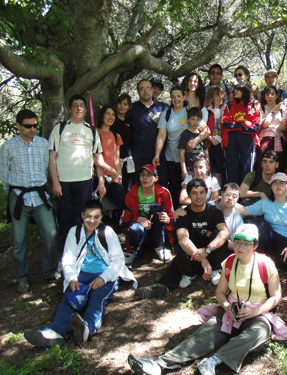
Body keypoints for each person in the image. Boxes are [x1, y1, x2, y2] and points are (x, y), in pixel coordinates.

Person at [127, 224, 287, 375]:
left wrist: (256, 311)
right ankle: (158, 365)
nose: (240, 247)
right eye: (237, 242)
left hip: (258, 313)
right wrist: (226, 306)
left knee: (259, 332)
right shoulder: (229, 262)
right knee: (201, 336)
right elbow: (220, 292)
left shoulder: (266, 264)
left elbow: (276, 296)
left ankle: (213, 362)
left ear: (255, 245)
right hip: (231, 310)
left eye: (246, 243)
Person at [24, 200, 137, 347]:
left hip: (105, 274)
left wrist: (103, 279)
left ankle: (87, 329)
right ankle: (54, 332)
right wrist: (71, 278)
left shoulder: (107, 232)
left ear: (101, 217)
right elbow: (68, 258)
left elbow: (118, 261)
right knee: (70, 298)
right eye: (88, 216)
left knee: (97, 298)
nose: (92, 221)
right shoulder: (74, 232)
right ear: (82, 215)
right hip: (82, 273)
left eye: (96, 217)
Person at [134, 178, 230, 299]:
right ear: (189, 195)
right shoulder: (183, 214)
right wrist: (202, 258)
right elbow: (183, 239)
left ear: (206, 193)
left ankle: (216, 270)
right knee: (180, 248)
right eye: (194, 193)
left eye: (201, 192)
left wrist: (206, 251)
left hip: (211, 254)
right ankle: (164, 286)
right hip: (192, 257)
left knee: (219, 235)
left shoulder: (214, 211)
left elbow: (225, 232)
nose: (198, 196)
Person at [0, 109, 59, 293]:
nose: (33, 129)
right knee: (18, 240)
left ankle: (49, 272)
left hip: (40, 197)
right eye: (28, 126)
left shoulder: (42, 143)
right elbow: (4, 174)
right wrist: (12, 195)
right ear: (18, 126)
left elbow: (46, 166)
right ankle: (22, 278)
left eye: (35, 125)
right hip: (19, 197)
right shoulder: (8, 147)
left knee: (51, 233)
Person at [48, 95, 114, 256]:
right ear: (70, 109)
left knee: (84, 221)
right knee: (65, 222)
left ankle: (82, 256)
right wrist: (55, 182)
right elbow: (51, 158)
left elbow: (97, 159)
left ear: (85, 110)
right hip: (64, 184)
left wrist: (101, 182)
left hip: (84, 183)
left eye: (82, 105)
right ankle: (64, 260)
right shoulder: (60, 128)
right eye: (75, 105)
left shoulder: (91, 131)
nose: (78, 108)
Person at [238, 173, 287, 272]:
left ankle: (276, 256)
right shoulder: (266, 202)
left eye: (281, 183)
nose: (278, 186)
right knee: (259, 223)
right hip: (270, 238)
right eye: (275, 183)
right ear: (271, 187)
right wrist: (227, 202)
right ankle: (257, 258)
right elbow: (244, 210)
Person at [154, 85, 208, 208]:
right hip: (172, 158)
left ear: (184, 97)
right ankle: (174, 216)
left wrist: (195, 141)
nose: (176, 99)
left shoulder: (190, 111)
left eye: (179, 96)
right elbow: (161, 136)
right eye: (173, 97)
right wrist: (157, 154)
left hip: (190, 161)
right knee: (174, 188)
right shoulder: (166, 114)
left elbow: (206, 131)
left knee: (191, 188)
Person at [120, 164, 174, 263]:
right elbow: (124, 220)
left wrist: (168, 219)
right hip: (141, 231)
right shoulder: (131, 194)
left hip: (158, 231)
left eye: (149, 175)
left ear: (156, 178)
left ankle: (159, 247)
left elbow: (172, 217)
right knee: (134, 229)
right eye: (142, 174)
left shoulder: (164, 193)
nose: (144, 178)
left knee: (156, 209)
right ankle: (137, 251)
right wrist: (137, 219)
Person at [127, 79, 168, 183]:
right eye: (142, 89)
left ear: (152, 90)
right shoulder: (132, 109)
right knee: (140, 189)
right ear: (138, 91)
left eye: (148, 88)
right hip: (139, 157)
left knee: (160, 188)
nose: (145, 91)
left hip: (159, 156)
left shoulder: (164, 108)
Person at [222, 80, 261, 185]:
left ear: (245, 91)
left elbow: (255, 127)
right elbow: (225, 125)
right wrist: (242, 123)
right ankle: (231, 193)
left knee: (246, 168)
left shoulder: (253, 107)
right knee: (231, 168)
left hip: (247, 140)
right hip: (231, 140)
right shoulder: (230, 106)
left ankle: (245, 196)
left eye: (238, 89)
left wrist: (235, 126)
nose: (235, 91)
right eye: (235, 89)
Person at [96, 105, 127, 228]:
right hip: (99, 177)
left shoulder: (116, 136)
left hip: (113, 177)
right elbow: (96, 159)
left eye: (113, 114)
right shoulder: (95, 133)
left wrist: (118, 176)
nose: (111, 117)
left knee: (125, 202)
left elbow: (117, 158)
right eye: (108, 113)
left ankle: (119, 230)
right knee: (98, 208)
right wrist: (111, 171)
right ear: (102, 115)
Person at [256, 85, 287, 169]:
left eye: (272, 94)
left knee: (279, 164)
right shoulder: (261, 109)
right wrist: (273, 111)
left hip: (279, 140)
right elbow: (263, 125)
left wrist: (270, 126)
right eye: (267, 95)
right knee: (262, 163)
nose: (270, 97)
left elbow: (285, 126)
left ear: (277, 96)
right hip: (264, 139)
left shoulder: (283, 108)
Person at [202, 85, 226, 186]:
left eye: (222, 94)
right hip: (211, 145)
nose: (220, 97)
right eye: (217, 95)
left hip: (223, 146)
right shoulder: (206, 110)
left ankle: (218, 195)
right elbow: (201, 128)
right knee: (210, 172)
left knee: (220, 173)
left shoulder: (225, 110)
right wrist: (211, 139)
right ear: (211, 97)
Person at [179, 107, 209, 180]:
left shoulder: (201, 135)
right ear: (188, 119)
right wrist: (184, 171)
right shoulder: (185, 134)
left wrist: (208, 165)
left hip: (202, 169)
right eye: (192, 119)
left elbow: (206, 151)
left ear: (201, 121)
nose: (195, 122)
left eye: (198, 120)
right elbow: (181, 153)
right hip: (190, 169)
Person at [113, 93, 134, 190]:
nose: (122, 106)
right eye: (120, 103)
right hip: (114, 158)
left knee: (125, 186)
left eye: (125, 104)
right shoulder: (112, 120)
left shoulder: (130, 121)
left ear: (129, 107)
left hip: (127, 158)